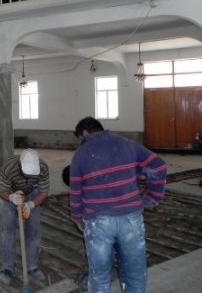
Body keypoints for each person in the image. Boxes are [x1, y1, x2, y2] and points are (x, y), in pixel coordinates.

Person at [70, 117, 167, 293]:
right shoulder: (128, 144)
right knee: (135, 272)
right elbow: (158, 166)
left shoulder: (80, 154)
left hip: (98, 222)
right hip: (131, 218)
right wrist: (151, 198)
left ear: (84, 133)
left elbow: (76, 191)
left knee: (99, 276)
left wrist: (77, 217)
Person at [0, 148, 50, 285]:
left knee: (33, 231)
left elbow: (43, 192)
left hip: (32, 193)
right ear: (20, 164)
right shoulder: (9, 167)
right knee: (8, 231)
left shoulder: (42, 168)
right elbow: (1, 190)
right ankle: (7, 268)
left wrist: (31, 204)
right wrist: (11, 197)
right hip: (9, 194)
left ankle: (32, 267)